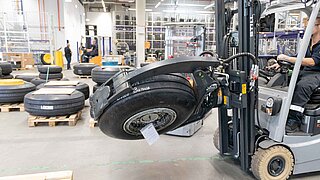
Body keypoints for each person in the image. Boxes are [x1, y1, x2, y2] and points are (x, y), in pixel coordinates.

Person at [269, 17, 320, 132]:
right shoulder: (308, 42)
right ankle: (280, 114)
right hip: (306, 72)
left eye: (309, 26)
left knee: (303, 86)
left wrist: (288, 58)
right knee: (284, 80)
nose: (306, 29)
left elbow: (312, 61)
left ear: (319, 26)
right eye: (305, 27)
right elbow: (299, 57)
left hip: (317, 73)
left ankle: (293, 121)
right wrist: (280, 65)